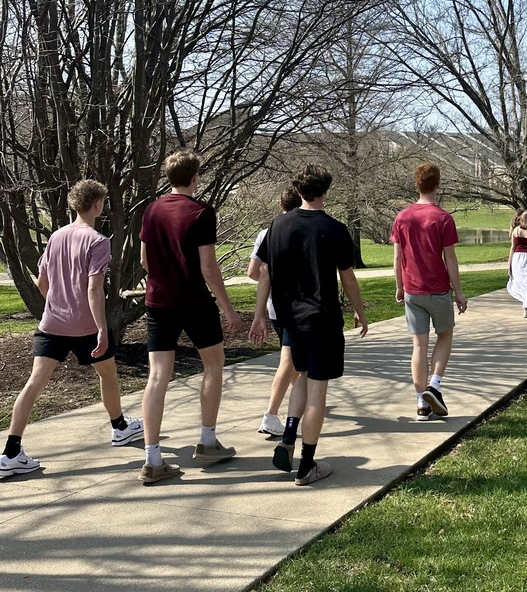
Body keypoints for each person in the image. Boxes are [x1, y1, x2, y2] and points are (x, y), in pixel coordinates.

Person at [1, 180, 143, 478]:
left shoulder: (56, 237)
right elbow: (94, 289)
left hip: (52, 324)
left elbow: (42, 282)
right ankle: (119, 427)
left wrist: (58, 303)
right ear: (97, 205)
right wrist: (102, 329)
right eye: (102, 202)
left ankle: (11, 452)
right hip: (86, 326)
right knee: (108, 374)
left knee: (34, 383)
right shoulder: (98, 241)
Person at [250, 164, 369, 486]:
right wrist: (360, 311)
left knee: (300, 376)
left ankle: (289, 438)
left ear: (298, 191)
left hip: (290, 318)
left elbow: (265, 274)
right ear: (325, 191)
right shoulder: (334, 228)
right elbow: (348, 278)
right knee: (318, 390)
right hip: (323, 319)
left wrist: (260, 314)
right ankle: (307, 465)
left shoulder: (277, 226)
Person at [139, 150, 242, 484]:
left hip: (158, 302)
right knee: (213, 365)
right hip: (195, 301)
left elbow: (144, 261)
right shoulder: (201, 212)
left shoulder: (151, 210)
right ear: (195, 177)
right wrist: (227, 307)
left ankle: (153, 460)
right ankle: (208, 441)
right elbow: (208, 267)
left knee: (157, 377)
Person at [391, 162, 468, 420]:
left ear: (417, 184)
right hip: (437, 288)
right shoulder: (443, 218)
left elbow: (397, 257)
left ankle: (420, 403)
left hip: (412, 289)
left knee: (418, 345)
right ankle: (434, 385)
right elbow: (451, 259)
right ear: (437, 184)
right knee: (445, 336)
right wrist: (458, 291)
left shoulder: (402, 217)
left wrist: (399, 286)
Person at [247, 187, 302, 437]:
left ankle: (302, 400)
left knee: (293, 360)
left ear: (280, 205)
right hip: (294, 306)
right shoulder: (300, 229)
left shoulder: (266, 233)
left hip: (273, 307)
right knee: (289, 360)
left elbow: (253, 272)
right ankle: (270, 415)